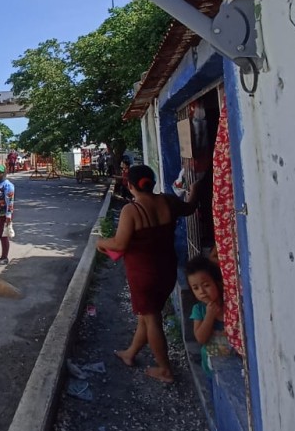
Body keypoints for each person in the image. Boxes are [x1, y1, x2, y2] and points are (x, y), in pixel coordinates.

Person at [96, 164, 204, 383]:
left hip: (143, 274)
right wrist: (194, 189)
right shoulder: (168, 201)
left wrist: (100, 242)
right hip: (167, 270)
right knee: (147, 315)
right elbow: (191, 207)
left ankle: (165, 369)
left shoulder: (131, 210)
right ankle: (130, 353)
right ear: (152, 182)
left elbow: (119, 243)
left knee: (151, 318)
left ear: (130, 185)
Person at [186, 256, 231, 376]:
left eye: (206, 285)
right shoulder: (199, 310)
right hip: (212, 364)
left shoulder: (231, 305)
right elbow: (200, 338)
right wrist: (209, 316)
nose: (201, 291)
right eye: (195, 288)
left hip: (233, 360)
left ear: (218, 282)